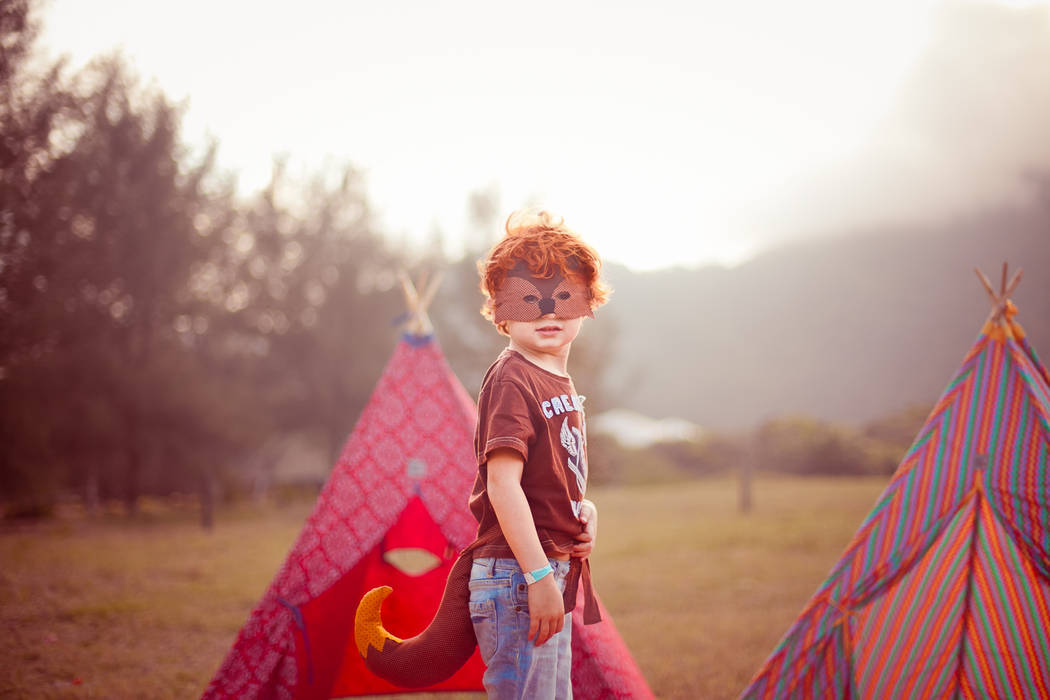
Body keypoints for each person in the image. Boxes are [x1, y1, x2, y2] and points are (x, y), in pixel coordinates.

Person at [468, 208, 610, 699]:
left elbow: (551, 476)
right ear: (501, 312)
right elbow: (502, 486)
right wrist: (538, 576)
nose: (549, 311)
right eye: (529, 298)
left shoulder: (557, 380)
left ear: (588, 303)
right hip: (519, 575)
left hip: (546, 569)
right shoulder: (512, 378)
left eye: (564, 295)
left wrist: (582, 512)